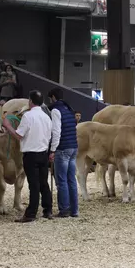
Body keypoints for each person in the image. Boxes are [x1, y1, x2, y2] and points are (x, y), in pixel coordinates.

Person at [3, 90, 53, 222]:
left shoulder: (27, 117)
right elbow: (49, 136)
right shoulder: (46, 117)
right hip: (43, 153)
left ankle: (31, 214)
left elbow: (19, 135)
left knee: (34, 185)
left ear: (30, 101)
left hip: (31, 154)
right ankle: (48, 210)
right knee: (44, 183)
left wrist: (8, 126)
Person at [48, 88, 79, 218]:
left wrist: (53, 149)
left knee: (61, 181)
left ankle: (64, 209)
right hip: (73, 147)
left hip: (62, 148)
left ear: (53, 97)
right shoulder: (69, 109)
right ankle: (74, 210)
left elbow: (56, 132)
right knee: (71, 179)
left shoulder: (56, 110)